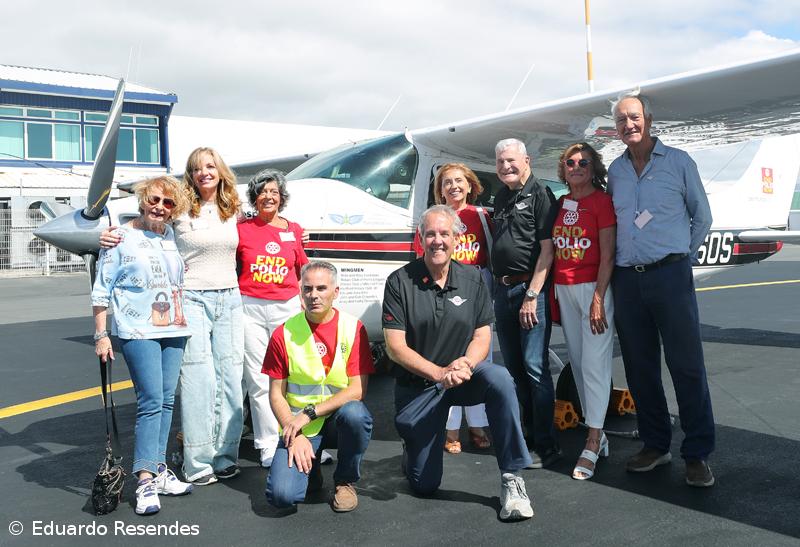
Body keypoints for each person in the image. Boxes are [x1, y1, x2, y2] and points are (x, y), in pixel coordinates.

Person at [101, 147, 245, 485]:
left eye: (210, 166)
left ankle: (226, 455)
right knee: (199, 380)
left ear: (220, 171)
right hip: (191, 298)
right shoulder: (178, 209)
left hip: (230, 297)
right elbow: (137, 224)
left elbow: (270, 216)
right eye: (196, 168)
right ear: (190, 175)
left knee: (231, 378)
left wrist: (300, 233)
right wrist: (105, 235)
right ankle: (197, 462)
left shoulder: (235, 209)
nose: (204, 173)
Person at [384, 205, 534, 522]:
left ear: (455, 239)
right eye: (430, 234)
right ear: (419, 239)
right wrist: (439, 373)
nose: (437, 241)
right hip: (422, 385)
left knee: (500, 379)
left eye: (444, 234)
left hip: (462, 377)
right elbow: (396, 348)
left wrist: (465, 363)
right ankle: (412, 450)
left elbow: (482, 335)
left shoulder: (473, 279)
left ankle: (512, 478)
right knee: (424, 485)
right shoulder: (399, 281)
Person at [607, 91, 715, 487]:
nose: (628, 126)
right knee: (640, 366)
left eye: (634, 118)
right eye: (621, 121)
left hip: (670, 275)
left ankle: (698, 452)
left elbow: (702, 217)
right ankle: (656, 444)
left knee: (686, 365)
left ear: (648, 120)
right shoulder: (615, 172)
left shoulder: (679, 163)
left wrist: (680, 257)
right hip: (627, 279)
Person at [91, 176, 193, 515]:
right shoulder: (119, 237)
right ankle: (145, 479)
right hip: (138, 329)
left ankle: (160, 468)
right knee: (150, 401)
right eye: (154, 199)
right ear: (142, 200)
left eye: (168, 203)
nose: (160, 207)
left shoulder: (171, 237)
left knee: (166, 401)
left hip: (174, 327)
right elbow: (101, 288)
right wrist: (101, 334)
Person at [264, 261, 374, 512]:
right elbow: (276, 395)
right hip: (300, 428)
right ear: (301, 292)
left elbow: (357, 390)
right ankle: (310, 469)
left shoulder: (353, 328)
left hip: (335, 420)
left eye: (322, 288)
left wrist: (309, 413)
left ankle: (345, 481)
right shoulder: (284, 333)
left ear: (336, 292)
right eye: (308, 289)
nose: (314, 295)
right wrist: (296, 435)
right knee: (281, 497)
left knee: (356, 414)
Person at [413, 163, 493, 454]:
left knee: (477, 359)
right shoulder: (432, 218)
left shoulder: (481, 216)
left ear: (470, 185)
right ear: (440, 189)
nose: (454, 187)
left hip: (474, 292)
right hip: (441, 293)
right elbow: (419, 255)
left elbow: (492, 255)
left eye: (459, 181)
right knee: (445, 358)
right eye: (447, 182)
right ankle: (450, 429)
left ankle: (477, 423)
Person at [491, 138, 560, 468]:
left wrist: (532, 295)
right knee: (515, 371)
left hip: (528, 293)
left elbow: (547, 252)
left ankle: (545, 445)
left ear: (527, 160)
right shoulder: (502, 195)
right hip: (503, 293)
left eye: (511, 160)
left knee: (535, 369)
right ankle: (526, 435)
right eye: (501, 161)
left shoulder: (541, 195)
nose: (506, 166)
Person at [551, 143, 616, 480]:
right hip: (565, 289)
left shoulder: (602, 202)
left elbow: (607, 254)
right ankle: (599, 432)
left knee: (595, 364)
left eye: (583, 162)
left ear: (594, 168)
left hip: (593, 289)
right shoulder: (562, 203)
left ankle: (591, 441)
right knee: (577, 362)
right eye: (570, 162)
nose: (576, 166)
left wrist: (598, 298)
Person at [238, 169, 308, 468]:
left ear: (282, 197)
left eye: (274, 192)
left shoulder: (293, 229)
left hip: (287, 306)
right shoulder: (241, 229)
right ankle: (267, 443)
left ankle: (302, 436)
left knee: (293, 375)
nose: (268, 196)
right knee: (258, 378)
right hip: (250, 307)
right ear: (254, 198)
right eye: (262, 192)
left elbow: (303, 269)